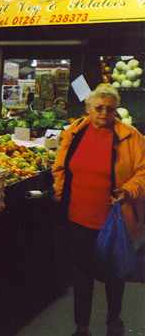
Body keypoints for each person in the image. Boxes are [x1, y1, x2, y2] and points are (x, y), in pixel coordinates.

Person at [52, 85, 145, 336]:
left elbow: (143, 172)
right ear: (88, 108)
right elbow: (61, 168)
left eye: (110, 109)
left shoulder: (130, 136)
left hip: (114, 220)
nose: (104, 113)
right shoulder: (75, 131)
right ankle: (81, 326)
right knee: (82, 273)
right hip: (78, 216)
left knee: (115, 274)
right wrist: (61, 196)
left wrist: (127, 190)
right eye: (99, 107)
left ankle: (113, 319)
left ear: (116, 111)